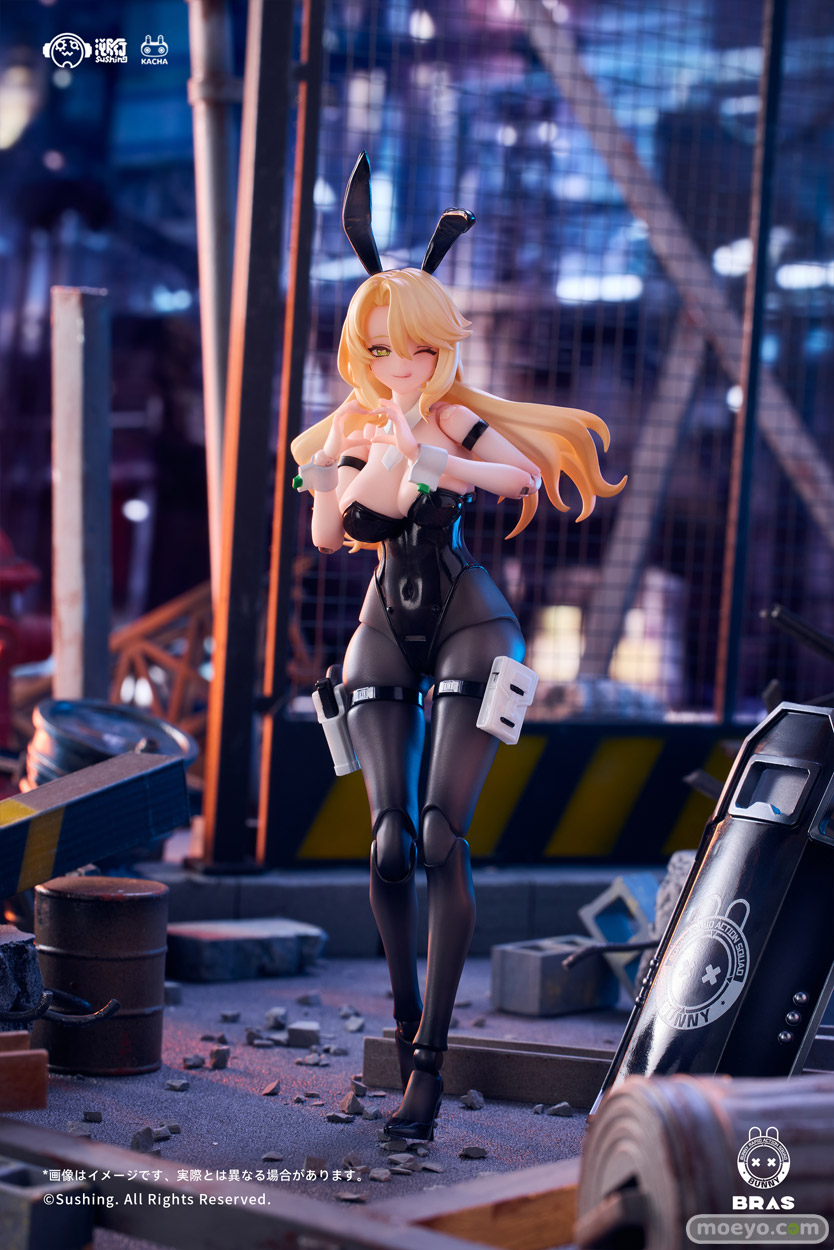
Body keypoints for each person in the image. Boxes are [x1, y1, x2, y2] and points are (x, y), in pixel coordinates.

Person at [292, 155, 625, 1141]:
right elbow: (327, 538)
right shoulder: (350, 423)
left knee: (440, 836)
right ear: (361, 350)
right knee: (390, 843)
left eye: (415, 349)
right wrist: (333, 472)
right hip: (384, 626)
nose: (399, 365)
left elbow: (519, 478)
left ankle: (430, 1066)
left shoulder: (452, 414)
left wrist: (431, 454)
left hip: (471, 620)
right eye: (382, 349)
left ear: (438, 346)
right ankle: (404, 1034)